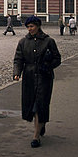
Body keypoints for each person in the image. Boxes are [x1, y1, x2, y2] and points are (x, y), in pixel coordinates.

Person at [13, 15, 62, 148]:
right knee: (32, 106)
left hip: (44, 77)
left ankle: (36, 137)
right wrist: (17, 73)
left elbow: (57, 58)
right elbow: (18, 59)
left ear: (38, 26)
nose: (30, 29)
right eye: (28, 27)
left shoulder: (49, 41)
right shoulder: (23, 42)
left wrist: (48, 66)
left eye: (32, 26)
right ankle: (41, 125)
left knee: (40, 105)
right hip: (29, 77)